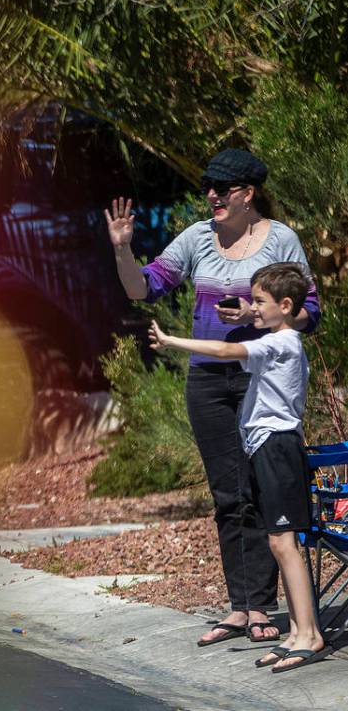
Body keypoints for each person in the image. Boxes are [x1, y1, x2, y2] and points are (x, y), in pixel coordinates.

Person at [105, 148, 321, 646]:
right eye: (209, 187)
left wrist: (254, 316)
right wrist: (121, 249)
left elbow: (309, 310)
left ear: (247, 194)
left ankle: (266, 606)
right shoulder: (197, 237)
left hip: (256, 379)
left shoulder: (281, 239)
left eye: (222, 189)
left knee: (260, 490)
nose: (212, 196)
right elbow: (143, 288)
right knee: (228, 495)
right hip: (206, 381)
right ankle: (241, 607)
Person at [149, 263, 330, 672]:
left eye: (260, 302)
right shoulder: (275, 338)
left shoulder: (284, 341)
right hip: (265, 448)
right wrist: (247, 315)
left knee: (286, 544)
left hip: (278, 449)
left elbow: (229, 351)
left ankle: (311, 635)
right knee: (277, 543)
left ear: (285, 306)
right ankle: (297, 631)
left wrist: (172, 340)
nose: (254, 308)